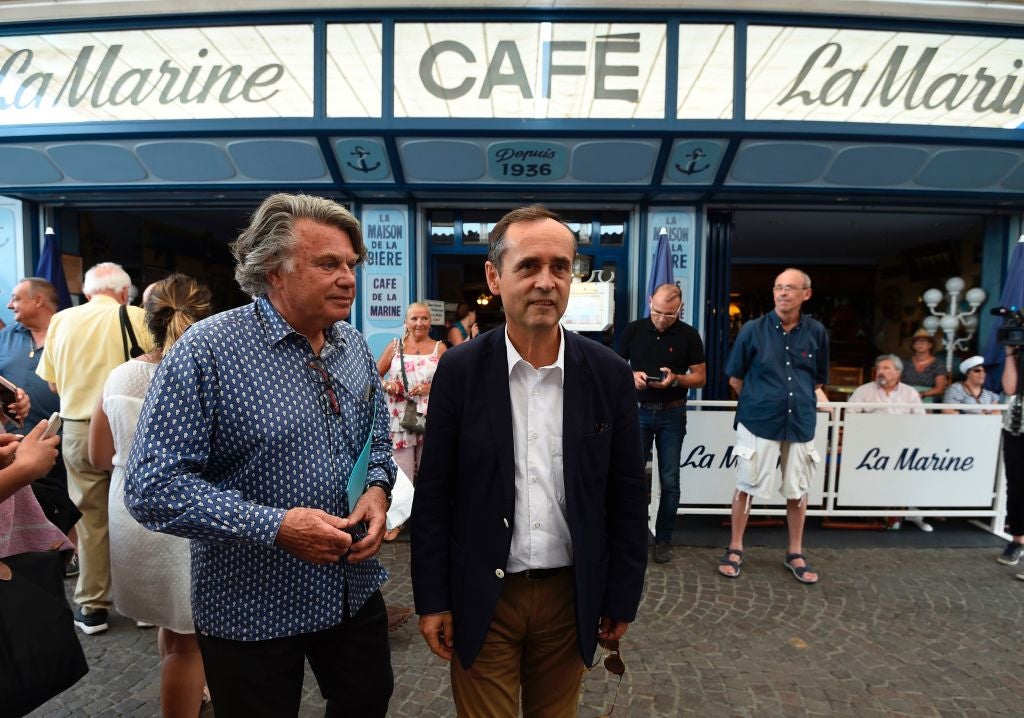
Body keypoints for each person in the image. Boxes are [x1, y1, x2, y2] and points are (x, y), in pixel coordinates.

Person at [125, 193, 396, 718]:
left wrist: (378, 491)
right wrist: (275, 526)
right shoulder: (207, 351)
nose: (347, 277)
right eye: (327, 264)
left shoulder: (354, 345)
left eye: (350, 264)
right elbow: (151, 487)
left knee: (367, 700)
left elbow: (377, 438)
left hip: (350, 589)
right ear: (273, 270)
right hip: (251, 605)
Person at [411, 205, 648, 717]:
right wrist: (432, 599)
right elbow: (435, 494)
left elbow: (628, 495)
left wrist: (621, 596)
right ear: (494, 277)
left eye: (560, 267)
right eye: (529, 266)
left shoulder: (608, 375)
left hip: (571, 596)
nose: (547, 281)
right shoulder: (460, 370)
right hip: (483, 594)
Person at [89, 274, 212, 718]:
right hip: (185, 517)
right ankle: (184, 700)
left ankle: (185, 691)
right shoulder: (208, 374)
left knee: (169, 624)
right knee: (189, 642)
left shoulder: (121, 375)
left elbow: (99, 455)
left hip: (131, 512)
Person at [36, 261, 154, 635]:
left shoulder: (62, 320)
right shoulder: (137, 316)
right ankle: (144, 606)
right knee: (138, 511)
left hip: (77, 429)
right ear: (124, 292)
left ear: (88, 292)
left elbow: (52, 385)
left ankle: (92, 606)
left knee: (89, 519)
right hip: (127, 425)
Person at [721, 268, 828, 584]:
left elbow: (818, 378)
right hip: (758, 420)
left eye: (790, 288)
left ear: (805, 294)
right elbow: (735, 378)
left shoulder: (817, 332)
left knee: (798, 489)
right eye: (778, 287)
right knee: (746, 484)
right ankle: (735, 547)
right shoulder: (753, 330)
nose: (783, 293)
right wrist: (761, 401)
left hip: (800, 422)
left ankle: (795, 551)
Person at [618, 283, 706, 564]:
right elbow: (616, 367)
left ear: (680, 309)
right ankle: (632, 536)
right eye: (656, 311)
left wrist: (677, 378)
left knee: (670, 481)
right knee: (631, 478)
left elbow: (701, 377)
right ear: (649, 302)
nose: (661, 318)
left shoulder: (689, 335)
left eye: (669, 314)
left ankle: (664, 539)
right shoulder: (633, 329)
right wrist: (631, 376)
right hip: (638, 412)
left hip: (672, 414)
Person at [0, 278, 81, 547]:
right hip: (13, 445)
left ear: (38, 300)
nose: (10, 305)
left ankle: (64, 555)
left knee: (71, 504)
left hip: (67, 440)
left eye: (16, 298)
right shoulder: (6, 336)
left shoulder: (71, 332)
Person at [848, 354, 931, 532]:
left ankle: (906, 513)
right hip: (869, 445)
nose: (881, 372)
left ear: (898, 372)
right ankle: (875, 511)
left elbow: (920, 421)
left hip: (902, 445)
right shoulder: (863, 391)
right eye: (879, 369)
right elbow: (849, 417)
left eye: (886, 368)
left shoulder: (910, 393)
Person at [377, 301, 447, 485]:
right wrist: (388, 385)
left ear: (430, 322)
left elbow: (450, 384)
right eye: (414, 318)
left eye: (424, 318)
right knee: (402, 476)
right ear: (406, 322)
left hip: (430, 418)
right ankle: (404, 514)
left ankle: (425, 512)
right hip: (400, 419)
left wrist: (431, 388)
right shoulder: (394, 346)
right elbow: (375, 376)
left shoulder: (439, 348)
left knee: (430, 473)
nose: (419, 323)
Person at [998, 345, 1024, 571]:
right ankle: (1017, 540)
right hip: (1017, 427)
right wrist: (1010, 354)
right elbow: (1010, 387)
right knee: (1015, 487)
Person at [903, 328, 948, 403]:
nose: (920, 343)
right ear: (913, 346)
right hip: (906, 397)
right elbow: (897, 383)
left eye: (924, 341)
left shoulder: (938, 364)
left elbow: (939, 389)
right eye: (917, 341)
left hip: (928, 398)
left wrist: (922, 394)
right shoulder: (905, 362)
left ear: (930, 345)